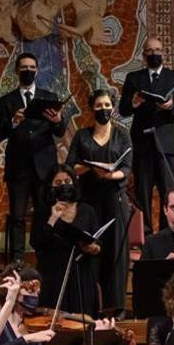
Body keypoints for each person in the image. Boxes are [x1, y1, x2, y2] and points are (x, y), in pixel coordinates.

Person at [0, 52, 68, 262]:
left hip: (45, 168)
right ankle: (17, 261)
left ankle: (44, 256)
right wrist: (14, 122)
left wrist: (57, 120)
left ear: (37, 70)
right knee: (17, 216)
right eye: (24, 67)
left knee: (44, 213)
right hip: (18, 168)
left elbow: (60, 132)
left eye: (32, 67)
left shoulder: (49, 98)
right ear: (17, 71)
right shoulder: (7, 100)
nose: (28, 71)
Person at [67, 89, 132, 315]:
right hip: (89, 201)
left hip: (115, 198)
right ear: (91, 108)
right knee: (90, 250)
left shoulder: (122, 134)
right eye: (98, 106)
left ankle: (116, 307)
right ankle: (90, 305)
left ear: (112, 107)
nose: (103, 109)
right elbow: (70, 166)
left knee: (115, 252)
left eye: (107, 105)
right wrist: (88, 167)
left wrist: (110, 175)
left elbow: (127, 167)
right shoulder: (82, 135)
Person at [120, 37, 174, 233]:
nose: (154, 54)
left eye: (158, 50)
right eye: (150, 51)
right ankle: (146, 235)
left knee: (169, 193)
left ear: (164, 53)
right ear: (144, 55)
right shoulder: (134, 78)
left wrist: (171, 106)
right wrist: (133, 103)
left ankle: (168, 234)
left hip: (167, 143)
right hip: (142, 143)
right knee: (143, 192)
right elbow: (123, 109)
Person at [30, 166, 101, 315]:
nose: (63, 185)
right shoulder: (42, 212)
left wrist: (93, 248)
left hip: (81, 276)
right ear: (50, 187)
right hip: (53, 277)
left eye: (67, 181)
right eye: (58, 182)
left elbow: (98, 243)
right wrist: (53, 218)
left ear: (74, 183)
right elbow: (36, 242)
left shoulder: (87, 211)